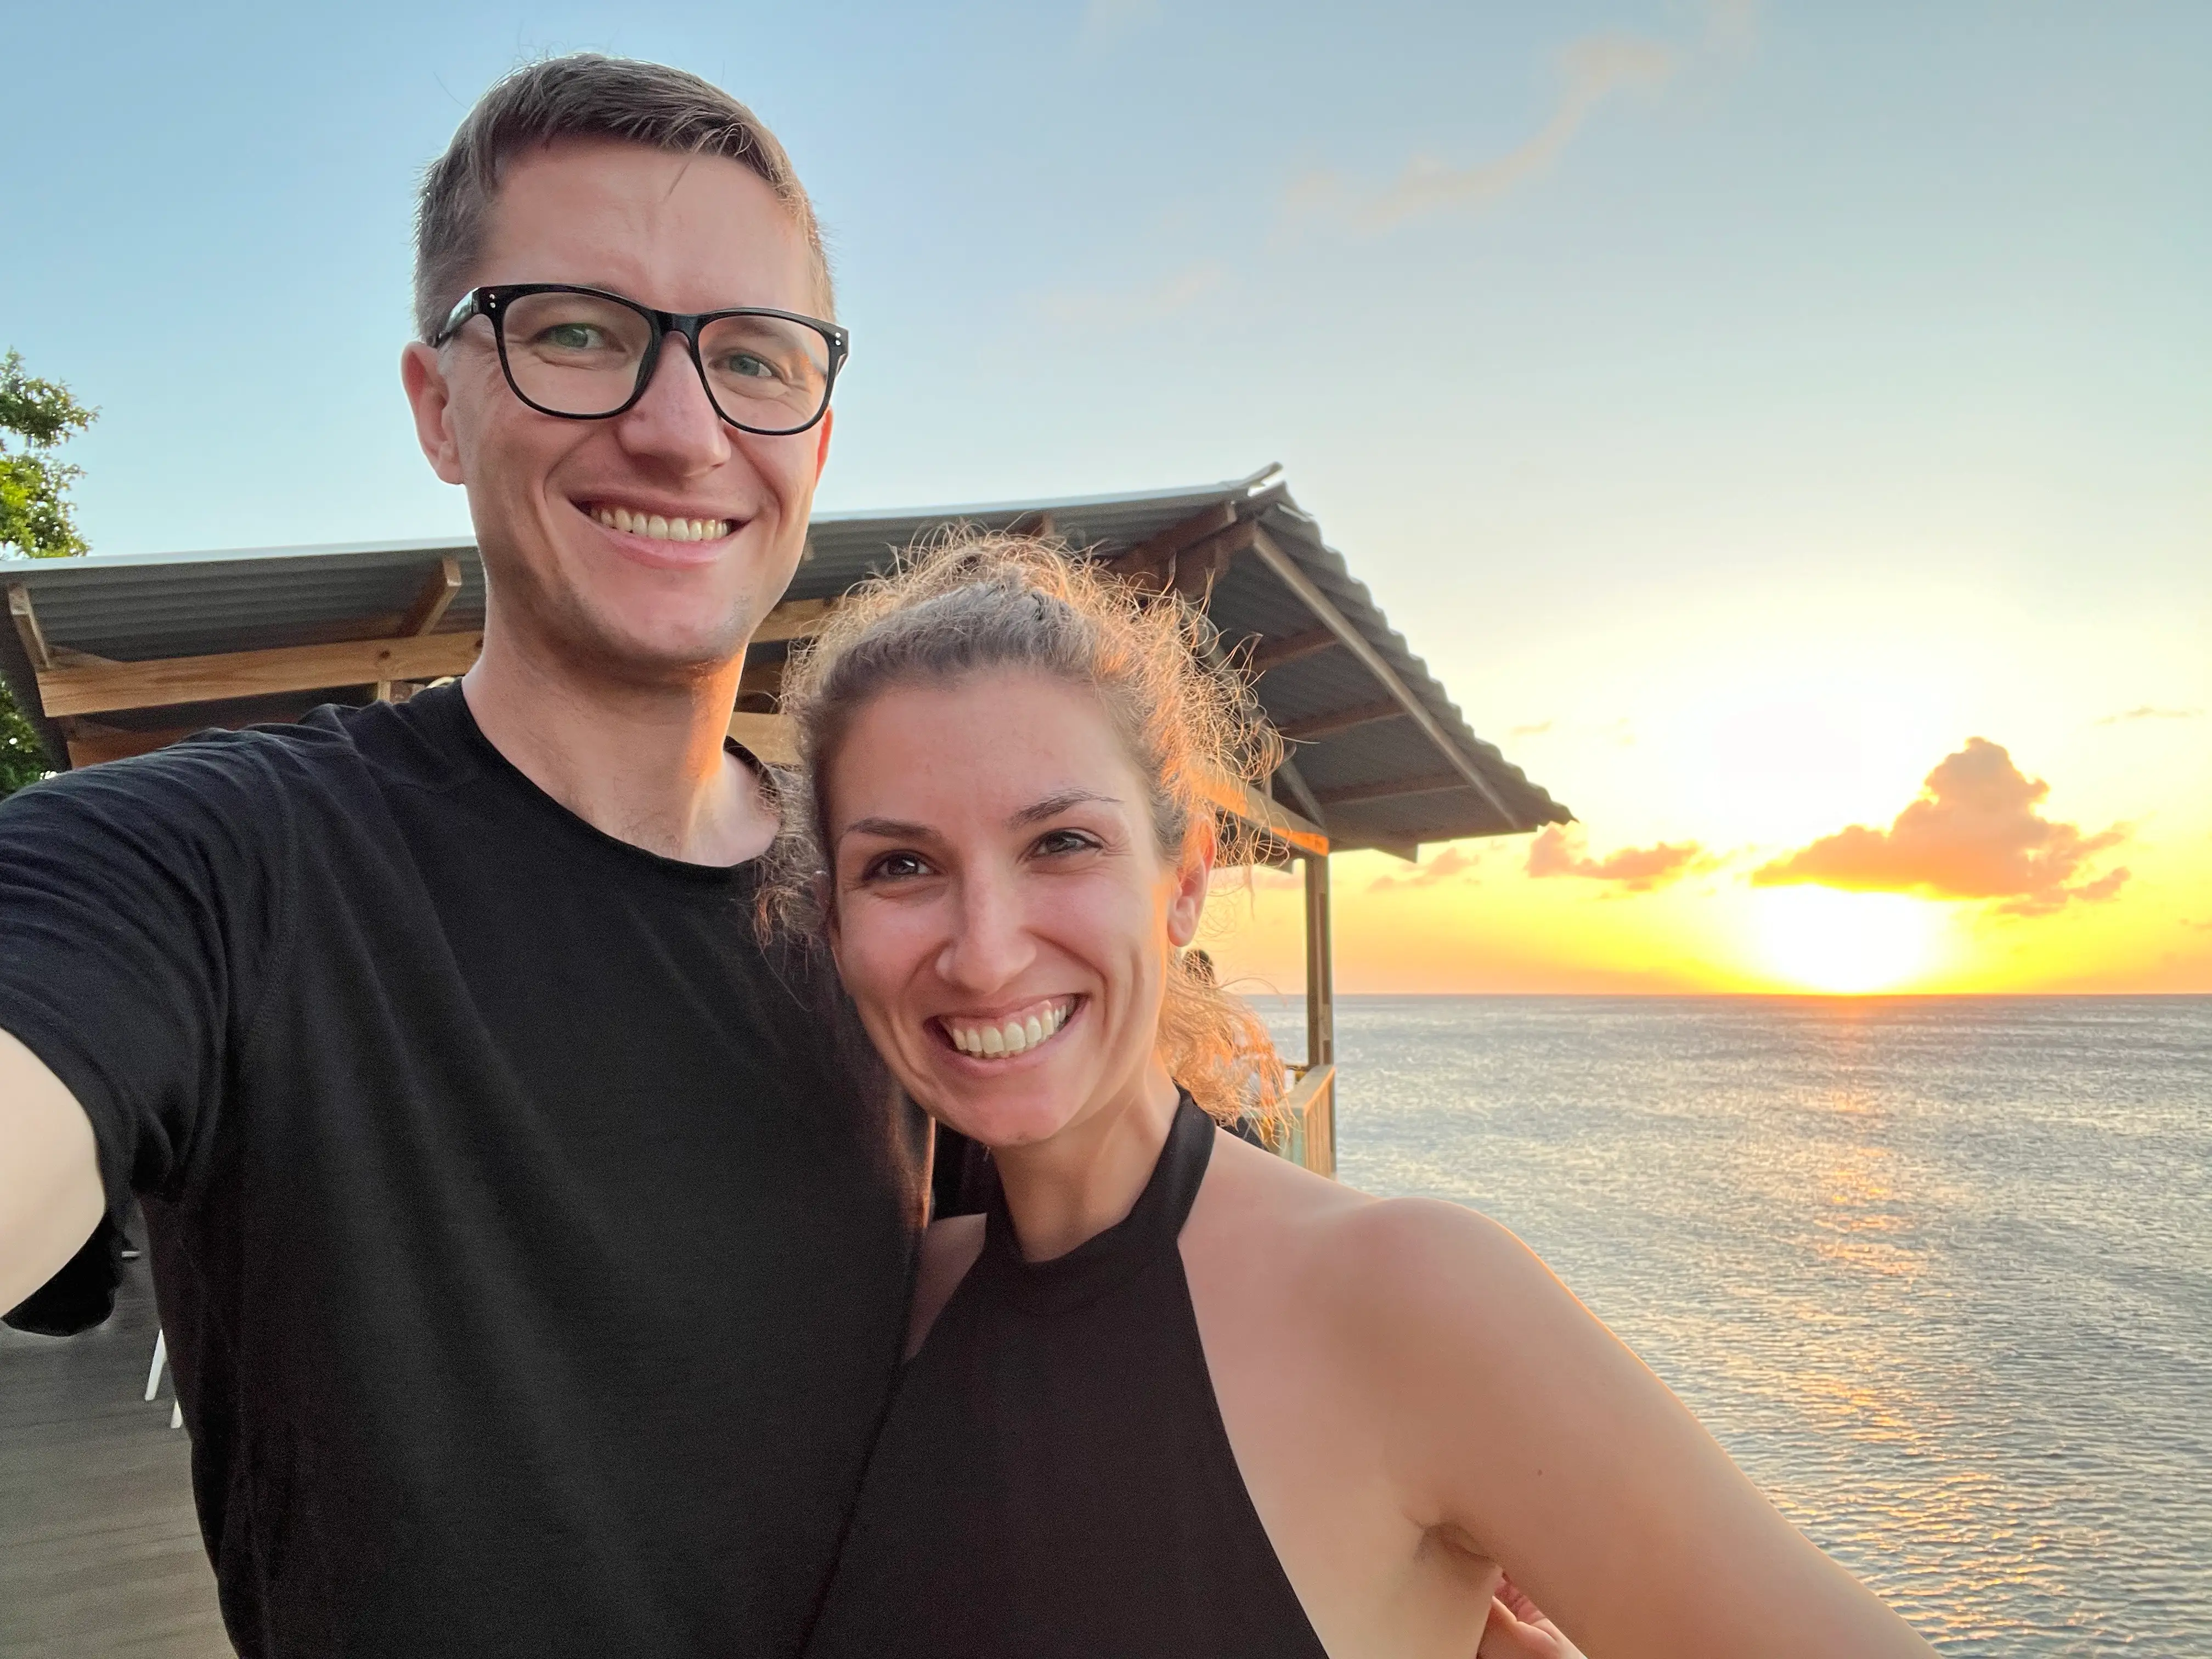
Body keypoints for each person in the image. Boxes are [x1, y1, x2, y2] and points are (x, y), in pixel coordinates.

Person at [0, 56, 924, 1658]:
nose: (682, 430)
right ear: (438, 406)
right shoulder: (220, 868)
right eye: (578, 333)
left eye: (752, 358)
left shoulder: (903, 908)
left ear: (819, 440)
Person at [763, 533, 1940, 1659]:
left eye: (1062, 843)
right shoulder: (900, 1311)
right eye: (901, 866)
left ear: (1184, 882)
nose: (984, 952)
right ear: (836, 925)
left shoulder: (1412, 1301)